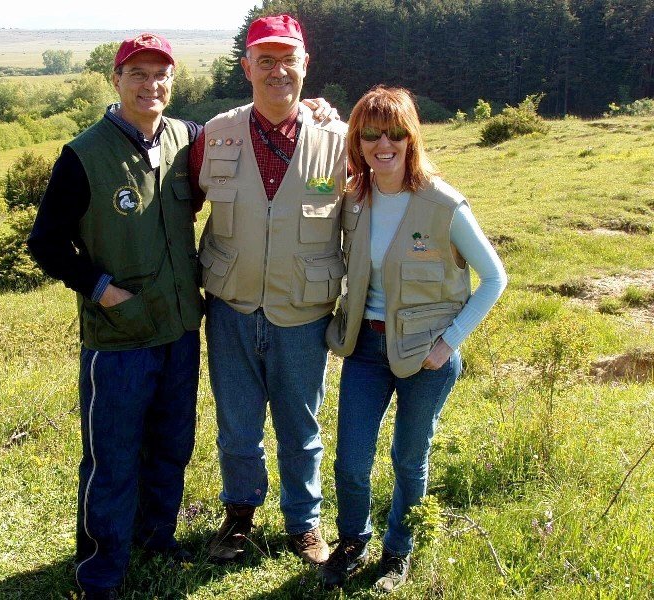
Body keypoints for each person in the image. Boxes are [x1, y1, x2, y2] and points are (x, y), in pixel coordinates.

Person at [27, 33, 203, 600]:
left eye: (160, 75)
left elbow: (245, 130)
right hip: (120, 338)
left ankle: (157, 537)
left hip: (179, 327)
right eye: (138, 74)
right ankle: (102, 569)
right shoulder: (84, 155)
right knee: (112, 457)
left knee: (174, 444)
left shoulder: (186, 138)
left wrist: (312, 108)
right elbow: (46, 243)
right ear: (116, 80)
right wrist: (102, 291)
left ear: (172, 82)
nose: (150, 85)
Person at [320, 86, 507, 592]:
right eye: (371, 134)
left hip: (426, 354)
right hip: (364, 349)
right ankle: (352, 542)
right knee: (352, 460)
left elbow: (495, 278)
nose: (385, 144)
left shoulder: (443, 204)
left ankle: (398, 549)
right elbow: (309, 189)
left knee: (409, 457)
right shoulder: (353, 199)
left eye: (396, 134)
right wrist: (318, 115)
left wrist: (449, 343)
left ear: (411, 137)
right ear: (356, 141)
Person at [189, 14, 348, 565]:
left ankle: (304, 524)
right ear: (246, 67)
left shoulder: (340, 141)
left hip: (303, 310)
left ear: (305, 66)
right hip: (231, 306)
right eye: (265, 60)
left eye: (288, 59)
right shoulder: (216, 133)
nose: (277, 70)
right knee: (236, 425)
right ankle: (238, 517)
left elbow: (367, 222)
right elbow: (174, 203)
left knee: (301, 427)